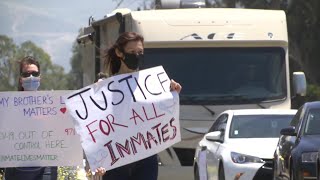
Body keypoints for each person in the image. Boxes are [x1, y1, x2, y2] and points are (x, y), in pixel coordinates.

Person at [95, 32, 181, 180]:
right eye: (132, 52)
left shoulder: (152, 84)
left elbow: (162, 114)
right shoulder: (105, 87)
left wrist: (172, 92)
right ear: (119, 53)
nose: (136, 56)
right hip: (116, 158)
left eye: (140, 52)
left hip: (146, 156)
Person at [4, 56, 58, 180]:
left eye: (35, 73)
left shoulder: (51, 105)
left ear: (40, 76)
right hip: (15, 168)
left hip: (46, 167)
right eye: (27, 74)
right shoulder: (8, 106)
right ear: (20, 78)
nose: (31, 77)